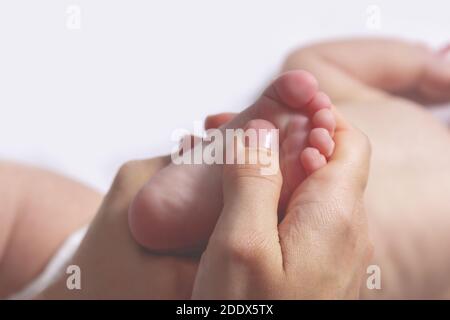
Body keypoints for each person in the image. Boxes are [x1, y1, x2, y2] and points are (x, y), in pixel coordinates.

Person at [0, 37, 449, 299]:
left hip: (285, 280)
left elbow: (313, 64)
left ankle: (239, 184)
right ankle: (231, 195)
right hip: (128, 260)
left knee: (25, 211)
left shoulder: (385, 112)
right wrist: (426, 72)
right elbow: (313, 67)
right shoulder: (403, 110)